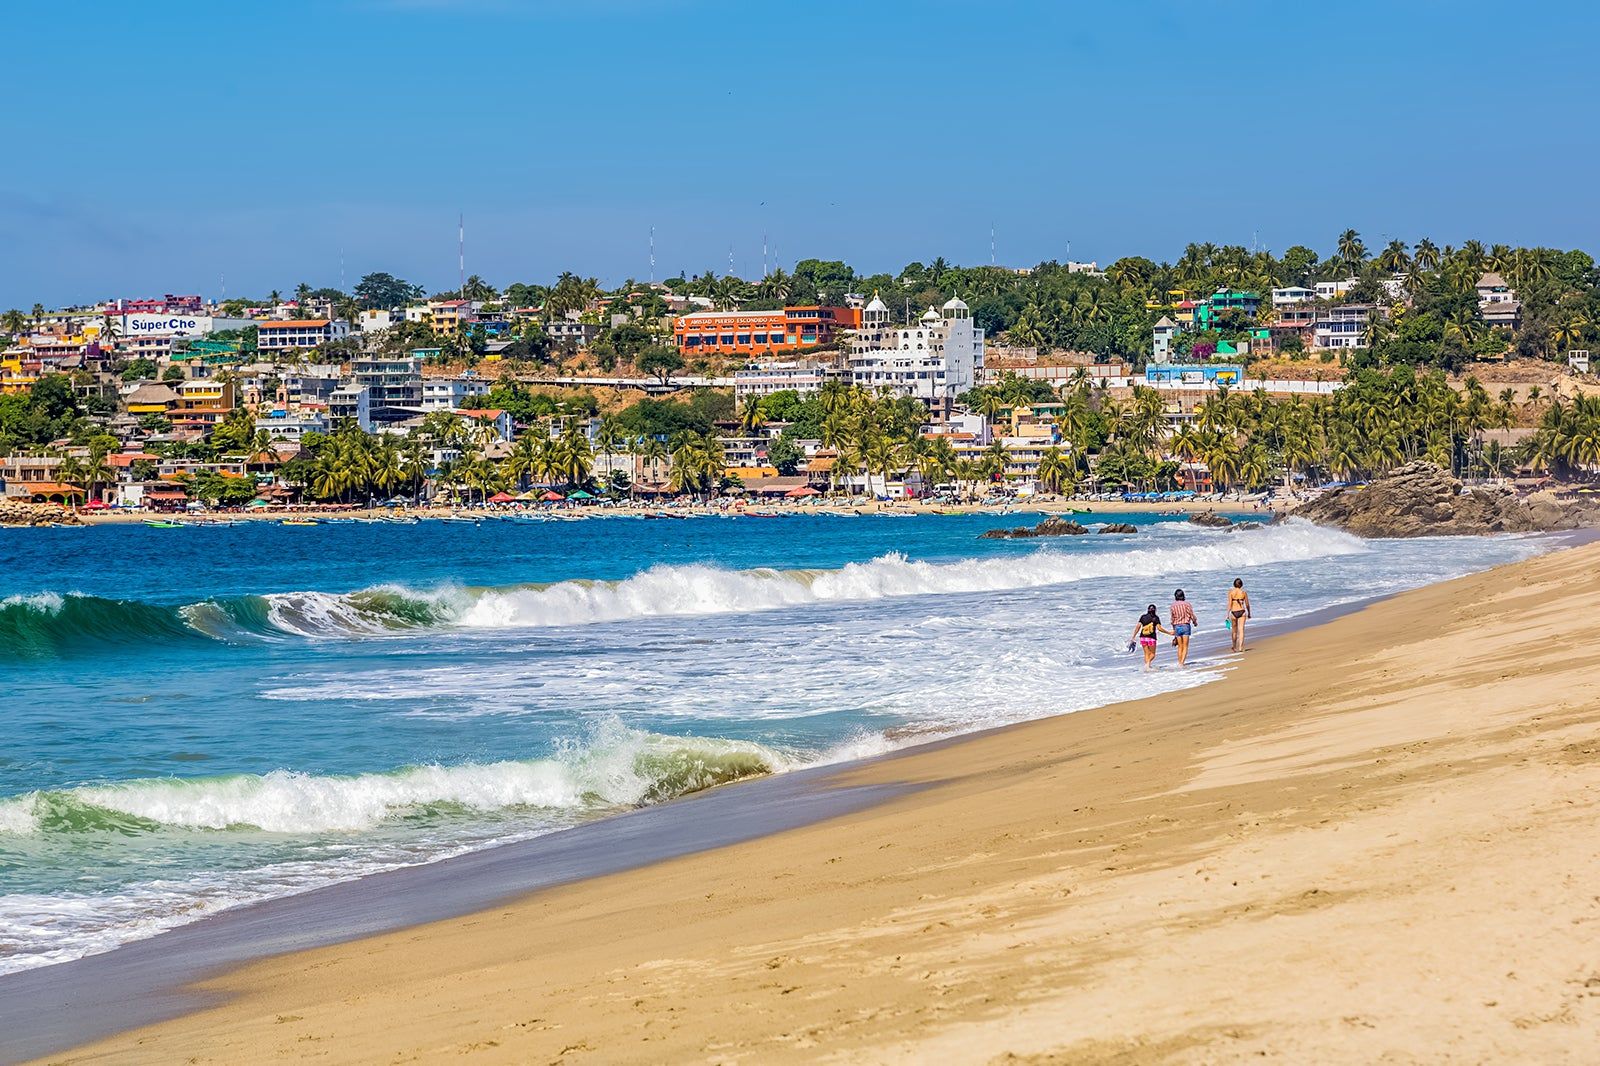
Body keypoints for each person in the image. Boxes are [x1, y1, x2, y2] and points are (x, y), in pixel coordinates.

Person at [1129, 603, 1171, 671]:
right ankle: (1147, 665)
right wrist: (1169, 632)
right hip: (1151, 638)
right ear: (1155, 610)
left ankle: (1147, 667)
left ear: (1148, 610)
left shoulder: (1143, 617)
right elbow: (1159, 628)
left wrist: (1133, 636)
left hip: (1143, 638)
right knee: (1152, 654)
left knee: (1146, 654)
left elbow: (1138, 627)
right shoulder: (1156, 618)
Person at [1169, 588, 1197, 666]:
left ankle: (1179, 662)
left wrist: (1174, 629)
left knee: (1180, 646)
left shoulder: (1172, 606)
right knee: (1185, 646)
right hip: (1185, 626)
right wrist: (1194, 622)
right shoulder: (1187, 604)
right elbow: (1191, 614)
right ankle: (1182, 663)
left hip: (1177, 626)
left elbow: (1172, 618)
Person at [1227, 578, 1252, 652]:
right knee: (1241, 630)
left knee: (1234, 631)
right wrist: (1249, 613)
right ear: (1241, 585)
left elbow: (1229, 604)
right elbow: (1247, 604)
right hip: (1242, 611)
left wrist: (1227, 614)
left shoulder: (1231, 592)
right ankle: (1240, 647)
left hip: (1233, 612)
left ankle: (1234, 647)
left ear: (1234, 584)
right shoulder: (1243, 592)